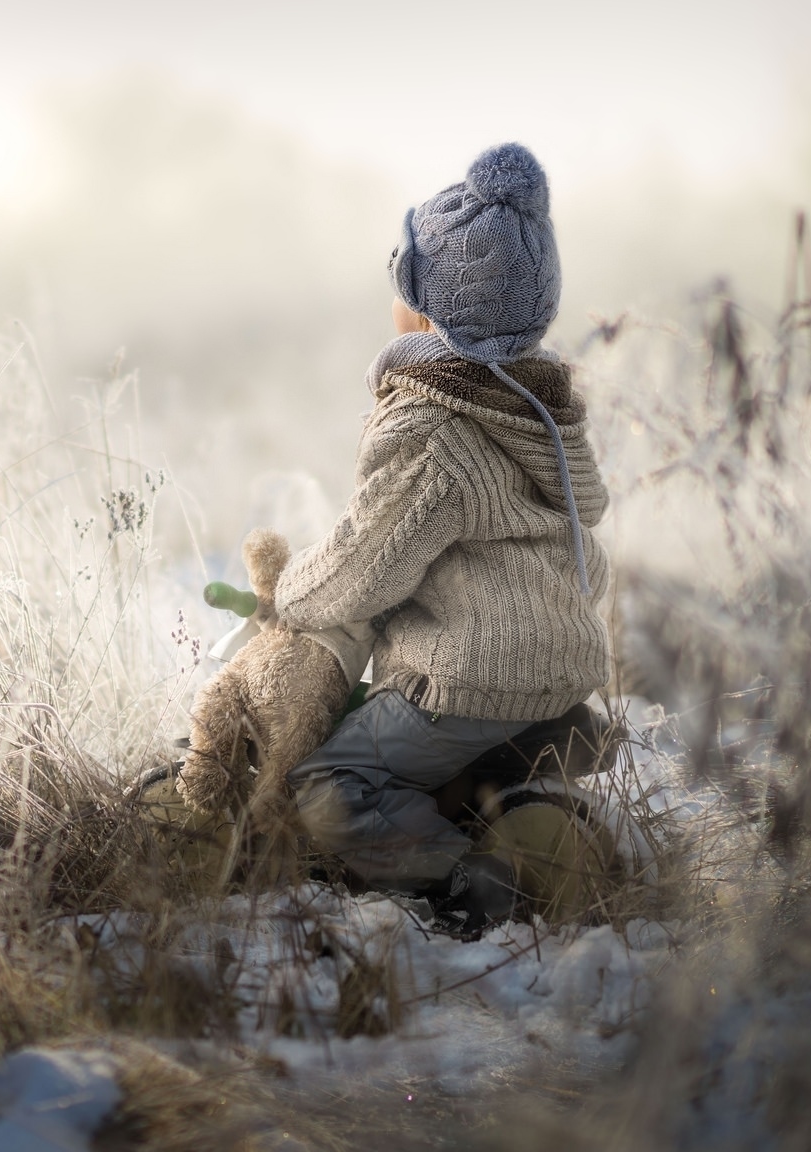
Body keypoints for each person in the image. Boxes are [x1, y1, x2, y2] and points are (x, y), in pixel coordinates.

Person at [275, 142, 610, 938]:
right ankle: (527, 807)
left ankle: (471, 883)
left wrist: (291, 591)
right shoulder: (540, 411)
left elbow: (365, 566)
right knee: (457, 756)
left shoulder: (433, 430)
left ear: (429, 312)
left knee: (328, 785)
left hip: (471, 682)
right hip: (559, 677)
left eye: (404, 284)